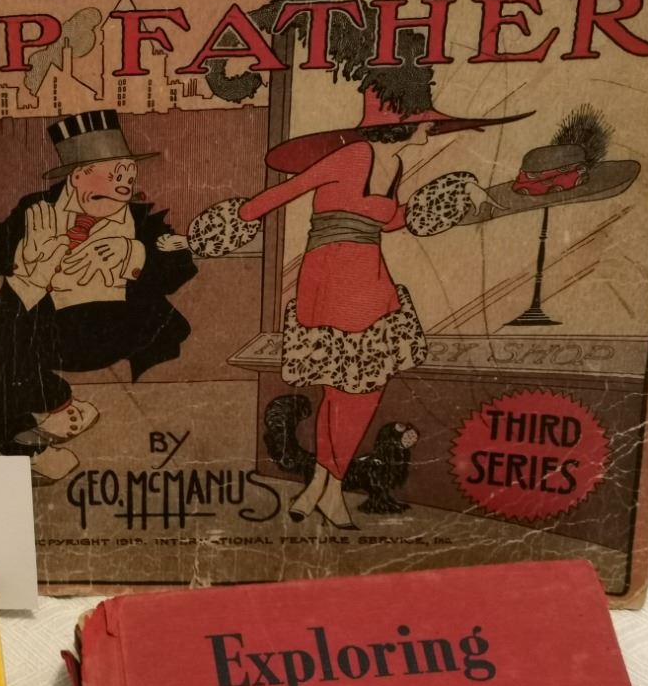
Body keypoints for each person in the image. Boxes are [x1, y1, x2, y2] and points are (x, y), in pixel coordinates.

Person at [182, 67, 518, 527]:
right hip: (337, 279)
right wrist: (199, 239)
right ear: (403, 120)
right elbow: (285, 192)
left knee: (341, 391)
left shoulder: (392, 164)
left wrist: (459, 193)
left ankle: (319, 488)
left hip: (365, 277)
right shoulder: (354, 155)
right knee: (359, 393)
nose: (430, 126)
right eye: (424, 118)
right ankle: (333, 490)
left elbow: (389, 219)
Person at [0, 109, 195, 484]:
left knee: (11, 348)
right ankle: (36, 444)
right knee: (7, 350)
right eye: (114, 175)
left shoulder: (140, 221)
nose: (124, 186)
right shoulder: (36, 210)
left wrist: (132, 255)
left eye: (129, 176)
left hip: (109, 330)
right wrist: (24, 253)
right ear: (78, 176)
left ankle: (55, 406)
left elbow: (181, 263)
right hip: (40, 329)